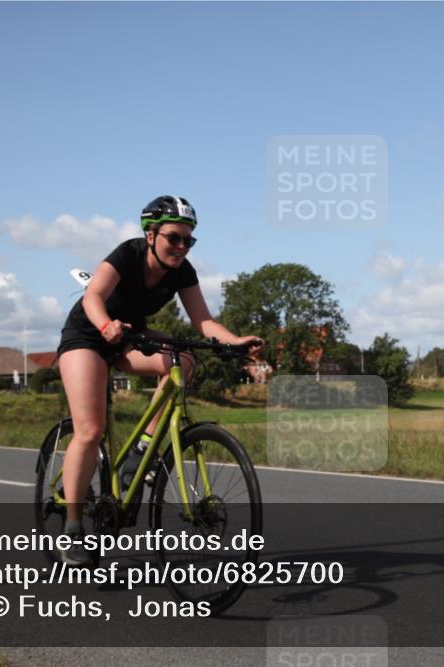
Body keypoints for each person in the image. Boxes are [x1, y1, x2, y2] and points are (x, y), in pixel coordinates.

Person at [55, 195, 262, 566]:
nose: (181, 247)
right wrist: (106, 325)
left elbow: (203, 321)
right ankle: (72, 528)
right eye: (174, 238)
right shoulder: (127, 254)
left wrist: (234, 341)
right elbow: (93, 297)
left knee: (183, 360)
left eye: (188, 240)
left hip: (131, 338)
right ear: (151, 234)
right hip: (88, 336)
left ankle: (143, 448)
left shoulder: (183, 271)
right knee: (90, 429)